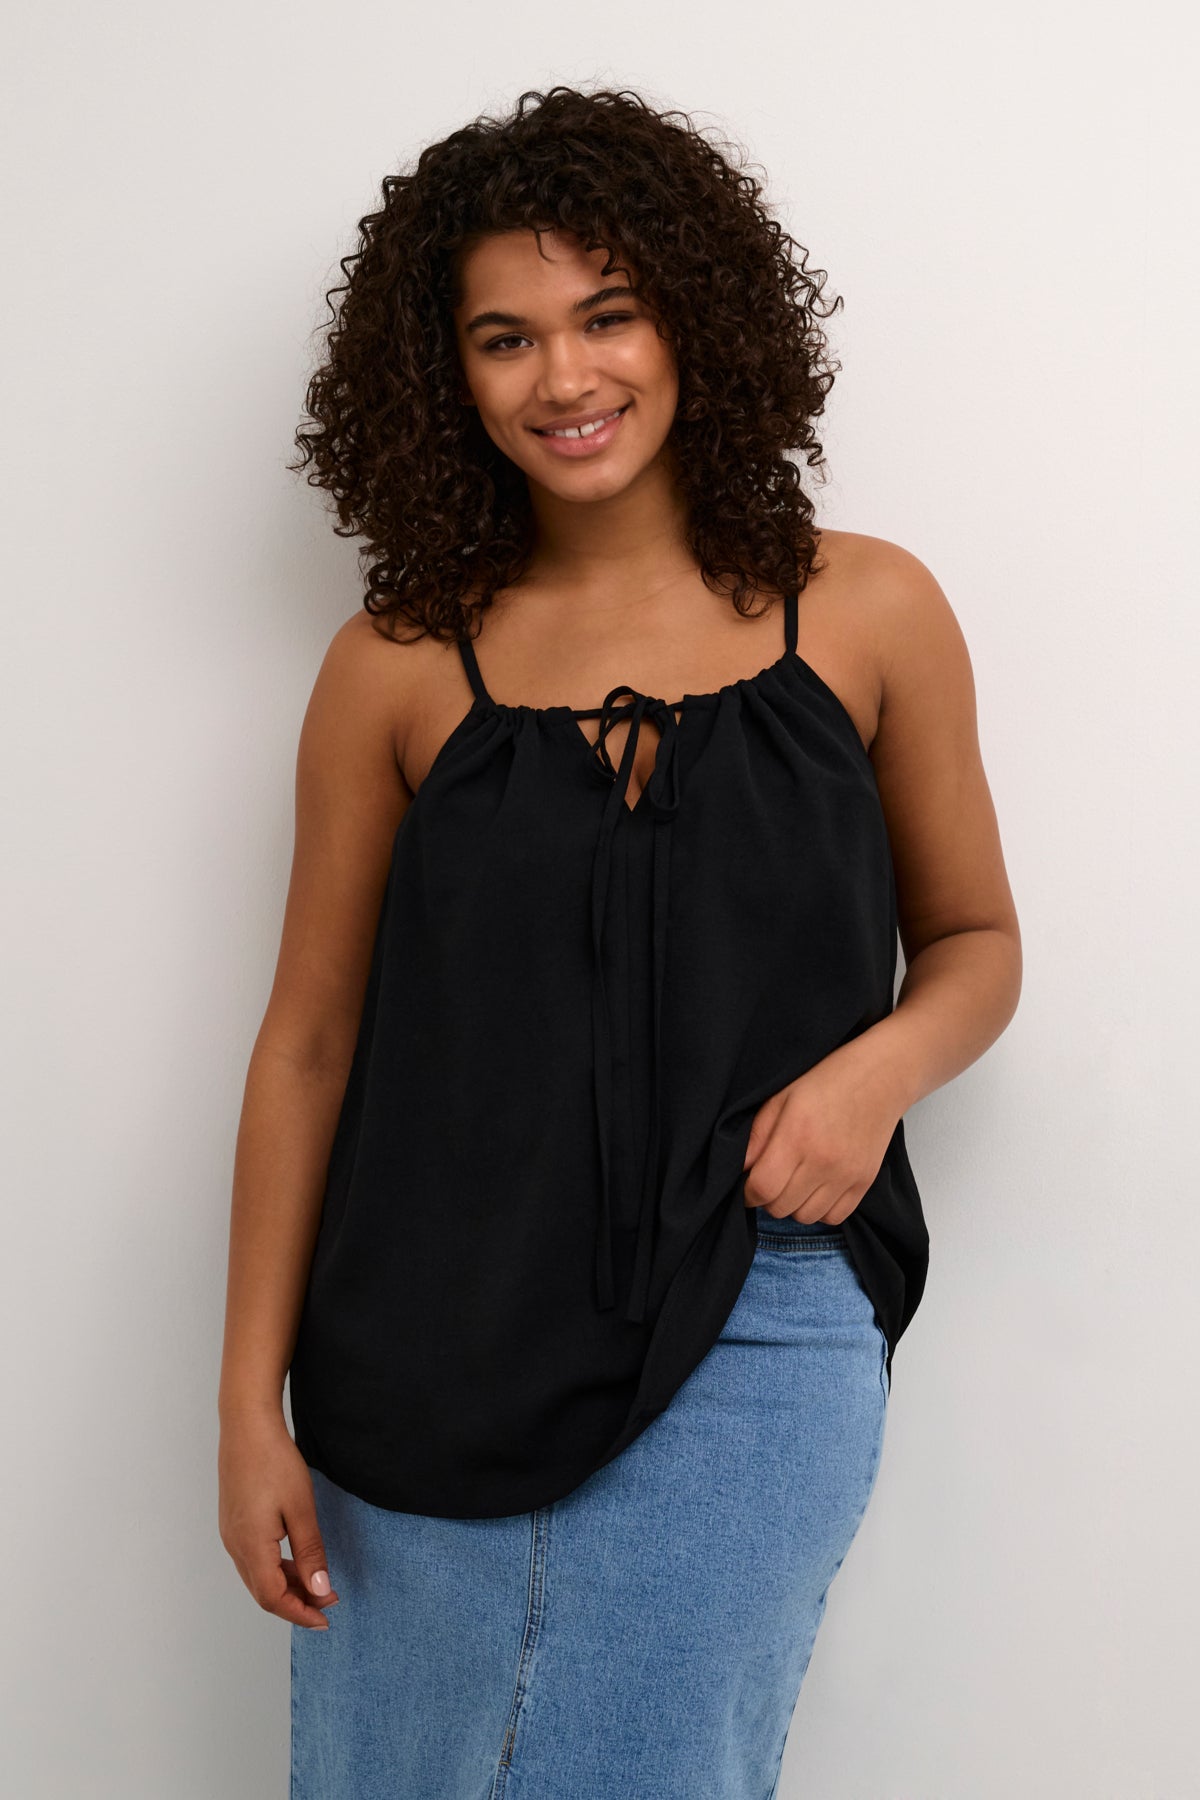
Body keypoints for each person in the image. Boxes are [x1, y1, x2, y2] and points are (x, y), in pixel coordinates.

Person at [218, 84, 1021, 1798]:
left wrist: (871, 1078)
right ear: (444, 372)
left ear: (694, 321)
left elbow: (975, 940)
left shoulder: (867, 609)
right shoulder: (395, 666)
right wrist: (244, 1406)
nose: (563, 377)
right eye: (503, 337)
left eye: (608, 315)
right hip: (419, 1334)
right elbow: (308, 1044)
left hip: (761, 1313)